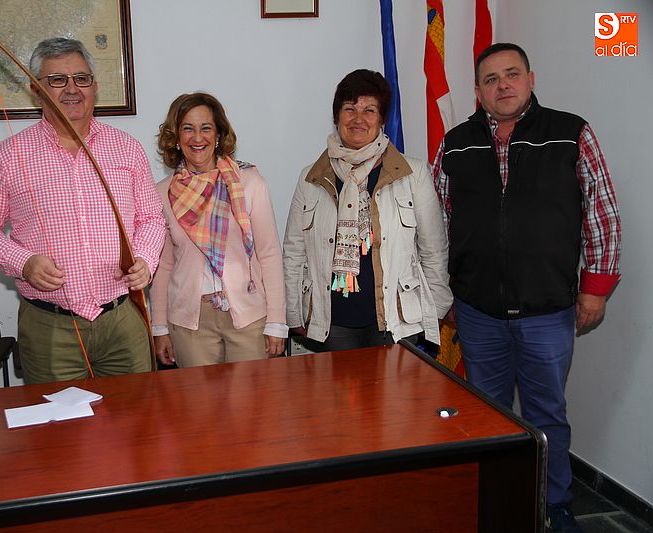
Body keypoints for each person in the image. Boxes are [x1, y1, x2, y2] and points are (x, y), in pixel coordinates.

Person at [432, 43, 621, 533]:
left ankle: (554, 504)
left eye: (511, 74)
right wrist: (443, 294)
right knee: (485, 417)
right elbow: (435, 225)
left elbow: (602, 213)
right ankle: (493, 503)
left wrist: (595, 287)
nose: (503, 86)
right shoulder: (455, 144)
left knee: (546, 416)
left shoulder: (570, 133)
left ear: (531, 78)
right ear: (478, 91)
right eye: (491, 79)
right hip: (477, 312)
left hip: (547, 310)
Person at [0, 38, 166, 383]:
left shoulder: (127, 149)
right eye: (57, 79)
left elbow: (151, 218)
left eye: (81, 78)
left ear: (94, 87)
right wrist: (22, 262)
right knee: (59, 432)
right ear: (36, 89)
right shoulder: (6, 155)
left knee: (137, 425)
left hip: (122, 317)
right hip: (50, 325)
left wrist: (145, 259)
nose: (72, 89)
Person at [283, 69, 452, 353]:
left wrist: (433, 308)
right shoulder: (311, 177)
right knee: (335, 397)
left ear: (382, 119)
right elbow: (294, 251)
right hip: (332, 322)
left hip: (396, 320)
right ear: (337, 117)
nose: (358, 119)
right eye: (350, 109)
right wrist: (293, 311)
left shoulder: (413, 174)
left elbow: (434, 249)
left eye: (369, 110)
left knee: (393, 397)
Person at [150, 92, 287, 367]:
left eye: (206, 128)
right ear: (176, 137)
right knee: (200, 408)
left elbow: (269, 254)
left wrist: (277, 322)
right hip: (189, 323)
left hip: (248, 317)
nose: (197, 137)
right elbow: (163, 266)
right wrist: (160, 328)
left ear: (218, 135)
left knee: (252, 407)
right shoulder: (162, 193)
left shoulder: (249, 183)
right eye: (187, 128)